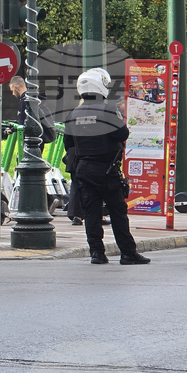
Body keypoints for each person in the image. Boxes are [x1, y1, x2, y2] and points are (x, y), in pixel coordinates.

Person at [63, 68, 150, 265]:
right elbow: (123, 134)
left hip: (84, 169)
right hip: (107, 169)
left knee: (91, 213)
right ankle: (128, 253)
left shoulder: (73, 113)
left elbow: (68, 143)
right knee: (118, 212)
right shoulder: (109, 111)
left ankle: (96, 253)